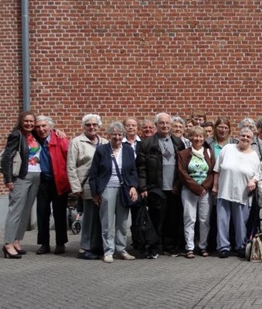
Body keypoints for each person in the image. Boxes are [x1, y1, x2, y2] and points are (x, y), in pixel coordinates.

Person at [136, 112, 186, 258]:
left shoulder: (178, 143)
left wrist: (179, 184)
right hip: (156, 187)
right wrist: (143, 187)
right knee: (156, 218)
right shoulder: (147, 143)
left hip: (174, 187)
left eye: (167, 123)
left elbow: (182, 166)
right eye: (162, 123)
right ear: (156, 125)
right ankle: (154, 246)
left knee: (172, 218)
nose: (165, 126)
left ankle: (170, 246)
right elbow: (141, 167)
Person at [88, 122, 138, 263]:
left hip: (124, 189)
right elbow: (94, 173)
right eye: (114, 134)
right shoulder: (102, 150)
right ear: (109, 135)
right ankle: (108, 251)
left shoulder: (128, 150)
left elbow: (133, 171)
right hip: (107, 188)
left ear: (123, 135)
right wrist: (95, 193)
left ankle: (121, 249)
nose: (117, 137)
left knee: (122, 222)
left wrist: (133, 186)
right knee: (107, 221)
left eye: (120, 134)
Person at [213, 126, 259, 258]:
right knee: (222, 220)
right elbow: (217, 170)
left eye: (248, 137)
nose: (245, 138)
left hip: (242, 193)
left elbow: (258, 174)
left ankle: (241, 246)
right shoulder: (228, 148)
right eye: (243, 135)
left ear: (252, 140)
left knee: (241, 222)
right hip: (224, 190)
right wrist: (215, 186)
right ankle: (223, 247)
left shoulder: (254, 156)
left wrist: (253, 181)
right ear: (238, 136)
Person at [67, 113, 108, 260]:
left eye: (95, 125)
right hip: (86, 185)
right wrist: (75, 187)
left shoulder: (104, 142)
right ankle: (84, 248)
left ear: (99, 126)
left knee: (99, 218)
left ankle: (96, 246)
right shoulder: (77, 142)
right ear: (84, 126)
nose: (92, 127)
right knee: (89, 217)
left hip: (102, 186)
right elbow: (71, 166)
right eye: (88, 125)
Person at [0, 111, 38, 258]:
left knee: (25, 211)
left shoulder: (33, 136)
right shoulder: (17, 135)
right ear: (21, 122)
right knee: (15, 211)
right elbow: (7, 157)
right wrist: (8, 179)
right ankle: (8, 244)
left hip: (36, 176)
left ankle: (16, 241)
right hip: (21, 177)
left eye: (31, 121)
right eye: (26, 121)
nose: (29, 124)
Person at [33, 116, 70, 255]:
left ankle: (60, 243)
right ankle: (44, 244)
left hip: (58, 181)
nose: (41, 129)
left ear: (50, 127)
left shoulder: (60, 139)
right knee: (42, 213)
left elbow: (69, 159)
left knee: (59, 213)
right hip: (41, 181)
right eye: (38, 127)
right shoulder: (33, 139)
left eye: (44, 126)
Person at [176, 126, 215, 258]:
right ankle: (190, 247)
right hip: (188, 191)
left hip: (205, 191)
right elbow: (182, 173)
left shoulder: (209, 153)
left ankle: (203, 246)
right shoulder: (183, 154)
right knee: (189, 219)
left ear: (204, 138)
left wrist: (204, 187)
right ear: (190, 138)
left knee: (204, 220)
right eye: (195, 136)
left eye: (200, 136)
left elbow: (212, 172)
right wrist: (196, 188)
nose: (197, 139)